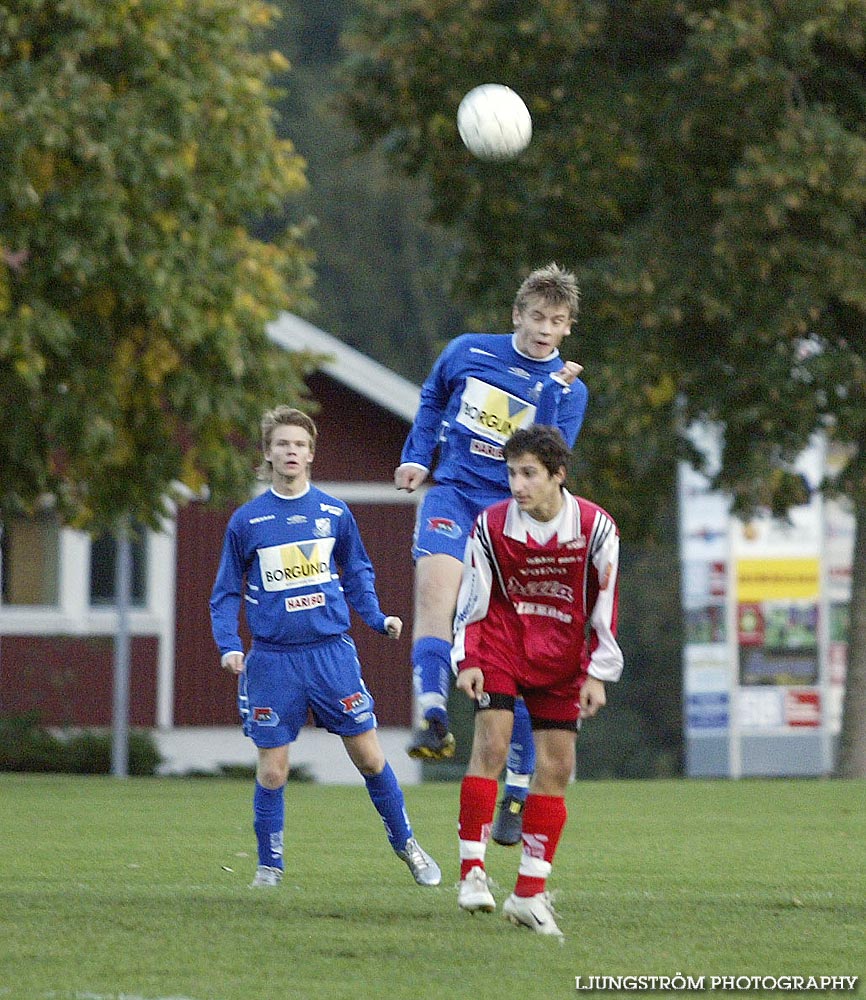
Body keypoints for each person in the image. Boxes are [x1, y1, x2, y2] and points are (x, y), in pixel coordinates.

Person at [395, 263, 588, 846]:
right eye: (536, 317)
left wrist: (551, 398)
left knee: (518, 653)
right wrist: (416, 455)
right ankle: (432, 712)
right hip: (452, 494)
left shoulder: (570, 391)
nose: (544, 330)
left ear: (567, 328)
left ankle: (521, 785)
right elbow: (431, 402)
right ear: (516, 316)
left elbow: (550, 464)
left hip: (509, 517)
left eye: (556, 321)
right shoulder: (467, 352)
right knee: (435, 596)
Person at [209, 405, 441, 889]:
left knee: (371, 759)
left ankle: (408, 846)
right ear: (268, 454)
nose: (290, 452)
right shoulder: (248, 521)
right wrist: (229, 643)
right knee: (273, 770)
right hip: (272, 660)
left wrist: (377, 618)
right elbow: (226, 591)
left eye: (299, 444)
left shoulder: (334, 513)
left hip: (330, 655)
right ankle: (269, 867)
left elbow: (357, 572)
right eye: (282, 444)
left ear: (311, 454)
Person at [452, 425, 623, 937]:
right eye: (511, 474)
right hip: (503, 643)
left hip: (563, 657)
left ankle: (528, 892)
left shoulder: (595, 528)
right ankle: (472, 873)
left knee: (557, 768)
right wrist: (469, 658)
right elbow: (473, 599)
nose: (518, 484)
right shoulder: (490, 525)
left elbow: (606, 606)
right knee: (492, 745)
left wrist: (598, 672)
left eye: (529, 474)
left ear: (558, 476)